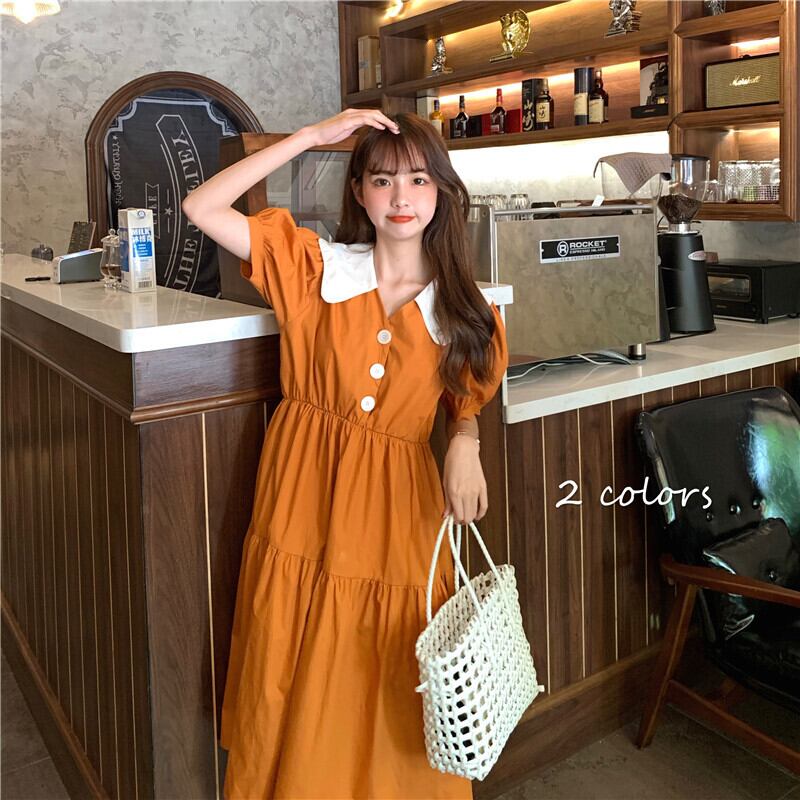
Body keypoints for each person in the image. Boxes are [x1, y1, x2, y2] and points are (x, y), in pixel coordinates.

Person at [182, 108, 509, 799]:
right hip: (300, 494)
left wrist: (466, 441)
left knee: (384, 659)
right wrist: (307, 140)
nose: (400, 197)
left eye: (418, 179)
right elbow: (201, 207)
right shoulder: (314, 270)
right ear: (358, 191)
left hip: (397, 509)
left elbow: (467, 398)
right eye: (382, 179)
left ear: (441, 192)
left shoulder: (465, 310)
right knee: (291, 644)